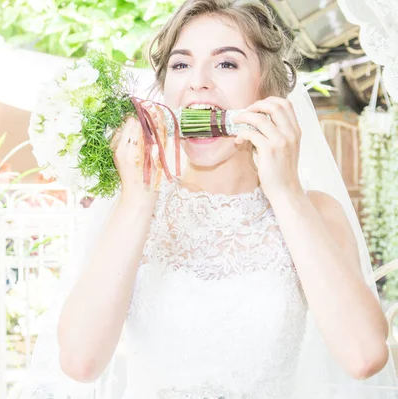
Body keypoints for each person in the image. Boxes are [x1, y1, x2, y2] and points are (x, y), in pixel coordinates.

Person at [23, 1, 397, 398]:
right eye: (181, 65)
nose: (198, 82)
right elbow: (81, 362)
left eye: (227, 64)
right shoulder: (130, 204)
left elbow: (364, 356)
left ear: (266, 90)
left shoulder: (317, 212)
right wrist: (138, 200)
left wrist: (285, 191)